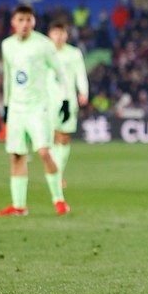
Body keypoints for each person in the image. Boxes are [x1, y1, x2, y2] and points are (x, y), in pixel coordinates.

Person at [0, 5, 72, 217]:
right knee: (17, 155)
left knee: (44, 152)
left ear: (34, 22)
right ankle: (19, 206)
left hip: (39, 107)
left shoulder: (43, 44)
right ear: (13, 22)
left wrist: (65, 101)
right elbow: (8, 77)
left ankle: (59, 200)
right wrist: (6, 106)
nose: (25, 24)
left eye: (28, 20)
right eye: (21, 19)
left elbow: (60, 72)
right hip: (17, 108)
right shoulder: (7, 45)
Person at [47, 20, 89, 189]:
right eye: (55, 33)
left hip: (69, 100)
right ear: (50, 35)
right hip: (48, 101)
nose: (58, 37)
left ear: (67, 35)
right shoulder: (44, 52)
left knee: (64, 138)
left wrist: (84, 91)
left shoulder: (74, 53)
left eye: (61, 33)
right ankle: (54, 173)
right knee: (52, 136)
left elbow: (80, 73)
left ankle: (58, 173)